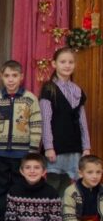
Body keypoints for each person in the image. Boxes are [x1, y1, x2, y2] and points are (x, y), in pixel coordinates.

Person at [0, 60, 42, 221]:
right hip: (0, 153)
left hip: (22, 154)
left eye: (14, 75)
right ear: (1, 78)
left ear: (21, 77)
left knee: (20, 189)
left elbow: (36, 124)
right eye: (7, 76)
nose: (10, 79)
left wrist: (33, 152)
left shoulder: (30, 99)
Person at [40, 47, 91, 197]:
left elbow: (82, 121)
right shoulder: (48, 89)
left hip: (74, 146)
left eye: (70, 62)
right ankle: (50, 211)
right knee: (52, 185)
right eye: (63, 62)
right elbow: (45, 120)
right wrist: (48, 147)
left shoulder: (78, 90)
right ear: (54, 64)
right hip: (56, 147)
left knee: (67, 187)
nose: (67, 65)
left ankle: (64, 212)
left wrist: (86, 147)